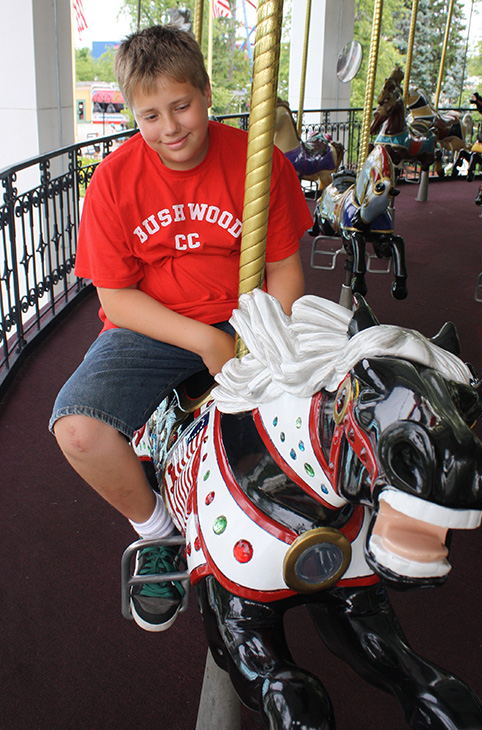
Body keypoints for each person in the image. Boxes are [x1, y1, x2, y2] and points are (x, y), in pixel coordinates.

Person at [50, 24, 312, 633]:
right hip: (153, 325)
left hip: (250, 313)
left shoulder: (258, 163)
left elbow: (282, 270)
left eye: (181, 106)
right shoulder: (113, 180)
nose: (170, 128)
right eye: (149, 115)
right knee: (79, 430)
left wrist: (268, 339)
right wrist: (205, 340)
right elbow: (114, 293)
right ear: (132, 116)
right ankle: (157, 529)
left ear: (206, 92)